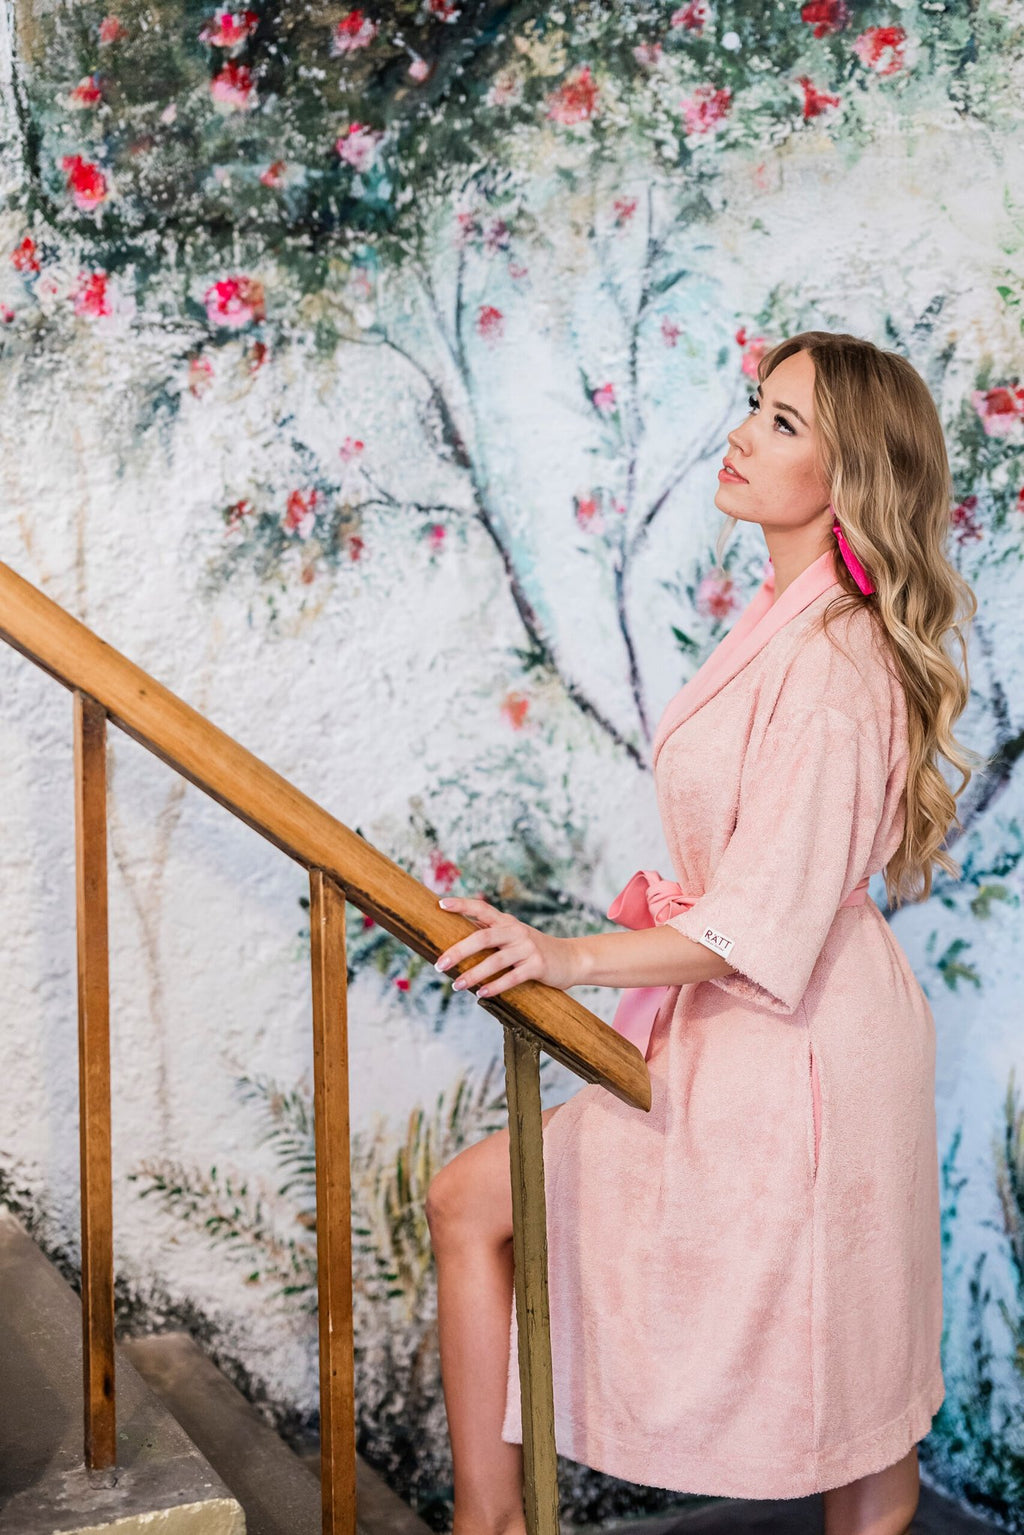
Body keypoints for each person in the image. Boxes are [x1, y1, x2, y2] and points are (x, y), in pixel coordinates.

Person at [425, 331, 983, 1535]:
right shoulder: (785, 614)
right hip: (764, 1026)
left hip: (805, 1046)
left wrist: (565, 955)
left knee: (865, 1400)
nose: (739, 435)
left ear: (848, 478)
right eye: (753, 406)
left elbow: (764, 916)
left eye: (783, 424)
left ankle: (487, 1522)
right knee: (477, 1201)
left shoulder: (834, 660)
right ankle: (491, 1520)